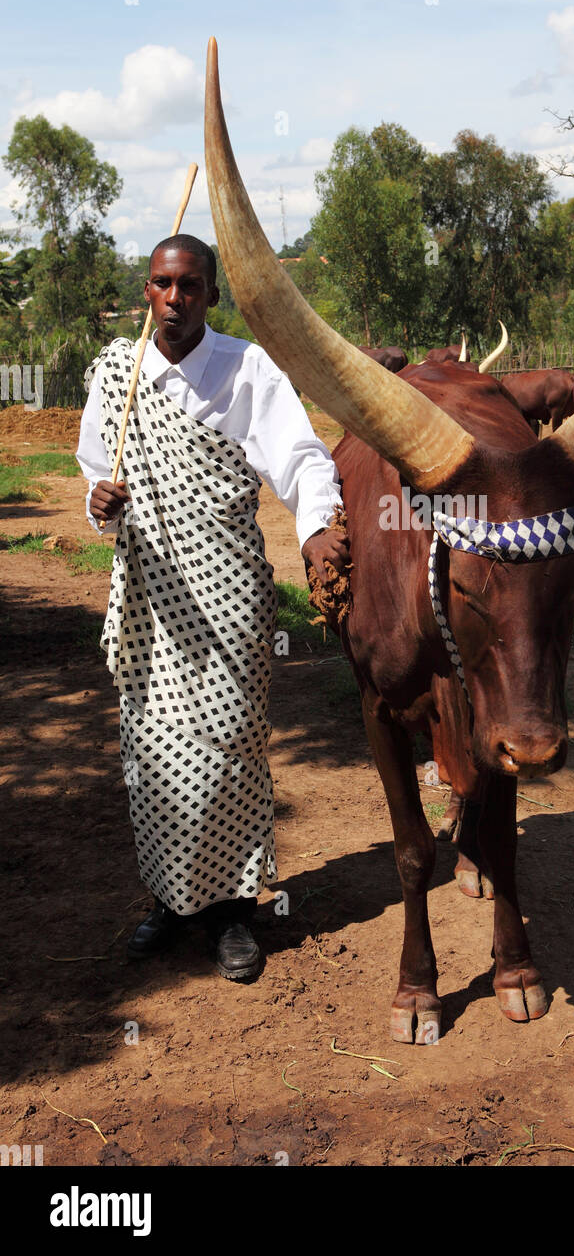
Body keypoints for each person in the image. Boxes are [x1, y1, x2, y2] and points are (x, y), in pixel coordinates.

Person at [76, 233, 349, 982]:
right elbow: (96, 476)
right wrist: (100, 504)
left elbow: (298, 456)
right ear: (147, 291)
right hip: (151, 600)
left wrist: (319, 525)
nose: (175, 298)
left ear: (211, 294)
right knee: (156, 753)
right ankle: (173, 901)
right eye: (163, 285)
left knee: (230, 747)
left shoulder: (246, 368)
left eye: (190, 285)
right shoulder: (115, 375)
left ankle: (232, 912)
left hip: (228, 596)